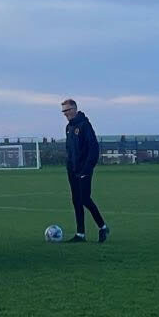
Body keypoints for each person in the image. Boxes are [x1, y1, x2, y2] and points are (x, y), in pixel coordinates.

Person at [62, 99, 109, 243]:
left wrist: (87, 168)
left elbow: (93, 148)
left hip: (84, 170)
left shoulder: (85, 125)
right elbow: (70, 150)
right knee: (76, 200)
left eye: (68, 110)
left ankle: (102, 226)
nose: (65, 114)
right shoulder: (68, 128)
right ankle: (80, 234)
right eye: (63, 111)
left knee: (84, 199)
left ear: (75, 109)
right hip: (73, 170)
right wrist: (69, 165)